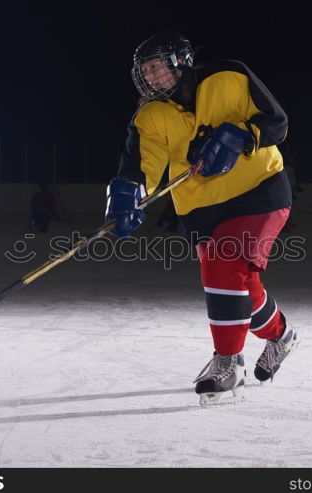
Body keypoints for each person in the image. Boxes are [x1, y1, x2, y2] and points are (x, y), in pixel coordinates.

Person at [104, 31, 299, 405]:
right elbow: (140, 170)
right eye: (145, 72)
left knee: (224, 268)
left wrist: (241, 136)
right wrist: (126, 197)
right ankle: (281, 336)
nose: (152, 77)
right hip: (202, 211)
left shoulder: (231, 76)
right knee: (242, 286)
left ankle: (229, 361)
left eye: (157, 67)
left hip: (259, 192)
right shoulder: (150, 116)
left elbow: (277, 122)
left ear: (182, 61)